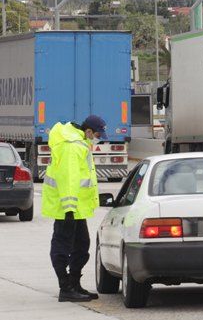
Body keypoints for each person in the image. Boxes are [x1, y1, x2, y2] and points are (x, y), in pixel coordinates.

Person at [42, 115, 108, 302]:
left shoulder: (78, 142)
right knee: (63, 247)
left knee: (81, 246)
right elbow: (68, 178)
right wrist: (69, 209)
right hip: (68, 208)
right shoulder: (72, 145)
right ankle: (65, 287)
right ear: (88, 131)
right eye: (97, 134)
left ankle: (74, 284)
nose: (99, 138)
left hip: (77, 208)